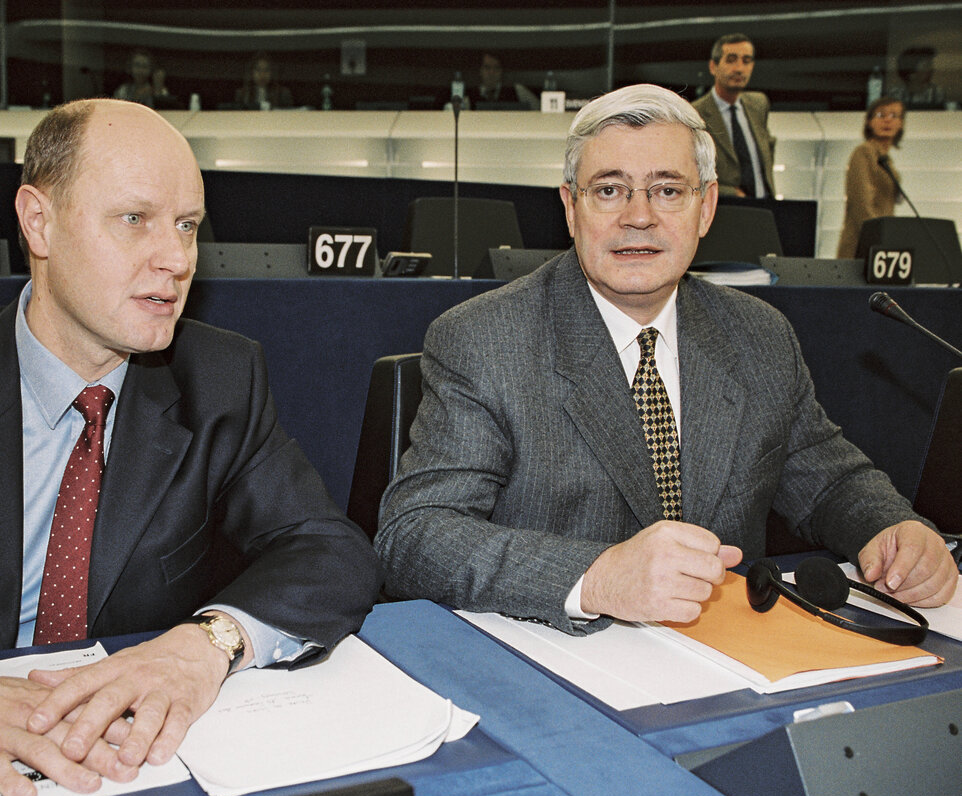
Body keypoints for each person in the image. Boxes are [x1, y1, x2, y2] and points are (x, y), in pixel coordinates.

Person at [0, 99, 381, 796]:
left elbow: (329, 549)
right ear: (38, 220)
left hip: (132, 772)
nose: (175, 259)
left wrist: (205, 644)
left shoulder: (222, 380)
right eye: (134, 219)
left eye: (187, 226)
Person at [374, 83, 956, 637]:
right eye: (609, 189)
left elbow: (827, 480)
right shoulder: (483, 339)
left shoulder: (759, 334)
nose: (639, 215)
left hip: (729, 657)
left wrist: (891, 527)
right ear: (571, 208)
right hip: (557, 659)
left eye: (667, 190)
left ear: (705, 209)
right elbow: (415, 535)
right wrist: (597, 577)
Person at [692, 34, 776, 198]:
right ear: (713, 66)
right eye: (731, 60)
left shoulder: (759, 104)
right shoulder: (696, 114)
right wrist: (732, 193)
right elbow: (693, 176)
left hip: (766, 205)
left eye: (746, 61)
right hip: (725, 210)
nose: (739, 68)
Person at [836, 97, 905, 259]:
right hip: (862, 246)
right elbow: (861, 203)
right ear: (869, 122)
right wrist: (881, 243)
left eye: (894, 115)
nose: (887, 120)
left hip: (880, 247)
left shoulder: (887, 160)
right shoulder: (864, 152)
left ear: (901, 124)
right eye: (881, 115)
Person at [112, 49, 180, 109]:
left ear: (151, 69)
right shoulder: (123, 90)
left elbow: (164, 111)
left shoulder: (161, 91)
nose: (140, 70)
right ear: (130, 67)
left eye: (144, 66)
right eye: (137, 65)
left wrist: (157, 91)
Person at [470, 52, 540, 110]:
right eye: (487, 67)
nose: (492, 72)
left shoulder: (517, 90)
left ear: (502, 71)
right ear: (480, 70)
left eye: (496, 68)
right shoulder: (470, 95)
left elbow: (539, 109)